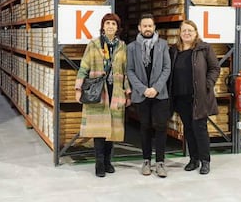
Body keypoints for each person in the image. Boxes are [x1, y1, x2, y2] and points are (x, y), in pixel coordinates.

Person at [75, 13, 131, 177]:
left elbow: (126, 70)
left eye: (113, 24)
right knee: (99, 129)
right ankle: (99, 163)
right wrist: (78, 89)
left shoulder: (122, 46)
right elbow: (83, 67)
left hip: (116, 90)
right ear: (103, 26)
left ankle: (108, 161)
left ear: (117, 27)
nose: (110, 26)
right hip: (98, 91)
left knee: (112, 129)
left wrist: (128, 92)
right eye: (107, 23)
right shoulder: (93, 44)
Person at [169, 20, 220, 175]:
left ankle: (205, 161)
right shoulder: (174, 50)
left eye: (190, 30)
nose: (187, 33)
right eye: (184, 30)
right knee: (188, 129)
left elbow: (214, 68)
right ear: (180, 33)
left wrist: (208, 84)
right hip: (180, 97)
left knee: (200, 128)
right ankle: (193, 159)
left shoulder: (204, 49)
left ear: (196, 32)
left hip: (198, 96)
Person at [127, 13, 171, 178]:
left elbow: (167, 68)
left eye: (150, 26)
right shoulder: (131, 47)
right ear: (139, 28)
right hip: (142, 95)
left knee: (160, 127)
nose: (147, 29)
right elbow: (130, 70)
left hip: (160, 95)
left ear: (154, 28)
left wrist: (156, 88)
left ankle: (160, 162)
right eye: (144, 26)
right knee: (144, 127)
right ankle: (146, 160)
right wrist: (143, 89)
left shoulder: (163, 45)